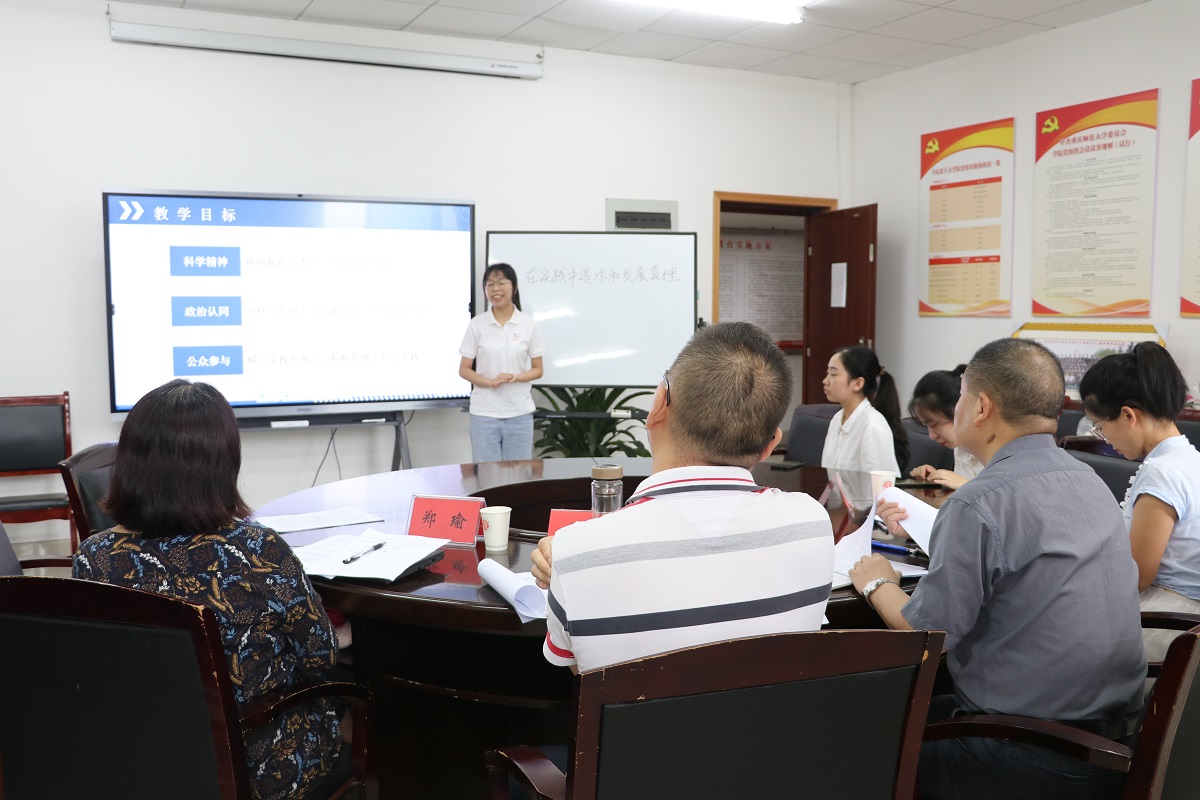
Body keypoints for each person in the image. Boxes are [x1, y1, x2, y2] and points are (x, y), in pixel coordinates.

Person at [849, 338, 1144, 800]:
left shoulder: (979, 502)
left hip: (1026, 753)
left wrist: (877, 581)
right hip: (1117, 746)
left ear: (982, 407)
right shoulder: (1091, 480)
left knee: (856, 738)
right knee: (903, 706)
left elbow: (926, 634)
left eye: (962, 397)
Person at [73, 380, 344, 800]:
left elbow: (94, 673)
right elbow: (320, 657)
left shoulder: (94, 557)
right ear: (223, 462)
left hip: (142, 764)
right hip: (255, 771)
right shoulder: (257, 550)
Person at [531, 322, 834, 672]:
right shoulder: (813, 525)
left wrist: (567, 566)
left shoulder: (575, 552)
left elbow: (583, 675)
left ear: (659, 403)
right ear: (771, 444)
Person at [1080, 341, 1200, 661]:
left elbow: (1136, 576)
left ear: (1128, 415)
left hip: (1166, 624)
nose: (1105, 439)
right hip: (1180, 620)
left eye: (1100, 427)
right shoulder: (1189, 458)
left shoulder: (1162, 472)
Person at [458, 263, 545, 462]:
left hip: (519, 413)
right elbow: (464, 369)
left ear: (514, 287)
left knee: (519, 474)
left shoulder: (529, 324)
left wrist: (516, 377)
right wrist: (489, 382)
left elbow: (538, 369)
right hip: (484, 413)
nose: (495, 289)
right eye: (490, 284)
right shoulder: (477, 324)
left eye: (501, 283)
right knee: (487, 475)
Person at [820, 345, 907, 477]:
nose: (825, 381)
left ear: (858, 383)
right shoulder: (837, 419)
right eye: (827, 373)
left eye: (833, 374)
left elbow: (879, 486)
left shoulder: (872, 426)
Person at [906, 364, 984, 490]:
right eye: (926, 426)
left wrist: (965, 486)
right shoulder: (961, 447)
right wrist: (937, 479)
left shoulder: (998, 450)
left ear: (958, 410)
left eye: (934, 424)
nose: (931, 436)